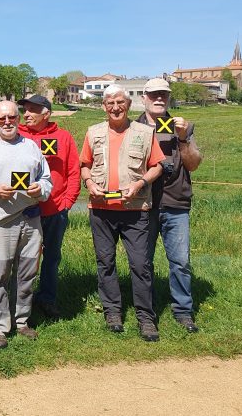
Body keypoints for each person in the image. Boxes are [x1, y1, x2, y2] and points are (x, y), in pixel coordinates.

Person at [80, 85, 165, 342]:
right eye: (110, 103)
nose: (115, 107)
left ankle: (146, 318)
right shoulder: (93, 132)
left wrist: (139, 184)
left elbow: (157, 166)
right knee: (105, 263)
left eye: (120, 102)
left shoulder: (145, 132)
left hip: (135, 208)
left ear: (128, 104)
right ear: (103, 106)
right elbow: (85, 165)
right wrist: (89, 183)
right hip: (102, 210)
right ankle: (113, 312)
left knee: (140, 265)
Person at [0, 101, 53, 348]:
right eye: (2, 118)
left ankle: (22, 321)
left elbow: (46, 179)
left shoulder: (32, 147)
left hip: (30, 218)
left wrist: (41, 188)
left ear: (18, 119)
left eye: (12, 117)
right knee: (0, 274)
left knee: (26, 273)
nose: (7, 122)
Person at [137, 78, 203, 333]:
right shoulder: (135, 127)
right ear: (144, 97)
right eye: (153, 94)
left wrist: (183, 138)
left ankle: (183, 311)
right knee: (143, 261)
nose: (159, 99)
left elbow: (194, 163)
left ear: (169, 98)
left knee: (180, 261)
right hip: (144, 203)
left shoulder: (183, 127)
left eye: (163, 94)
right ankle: (146, 310)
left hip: (176, 203)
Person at [17, 94, 80, 319]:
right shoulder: (17, 135)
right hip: (23, 210)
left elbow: (74, 172)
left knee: (51, 258)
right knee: (22, 259)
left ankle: (47, 299)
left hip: (54, 210)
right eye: (25, 110)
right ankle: (20, 301)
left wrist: (66, 203)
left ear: (46, 113)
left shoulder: (63, 137)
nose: (27, 114)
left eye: (33, 110)